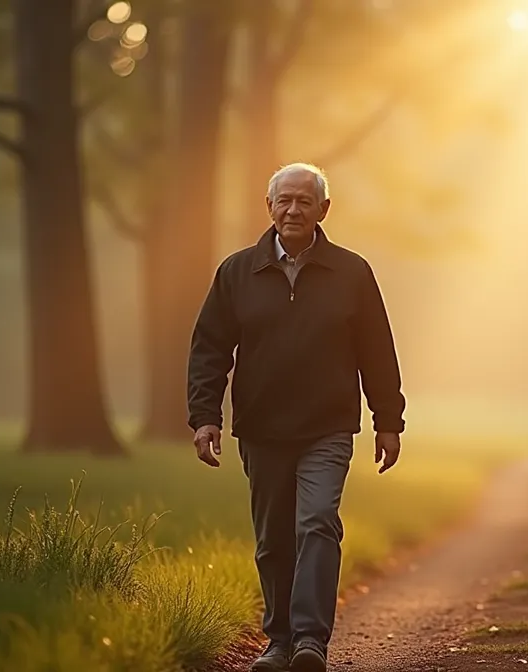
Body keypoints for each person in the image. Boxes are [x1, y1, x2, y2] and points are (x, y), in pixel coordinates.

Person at [187, 163, 406, 672]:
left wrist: (388, 420)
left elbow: (377, 351)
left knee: (317, 522)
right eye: (284, 200)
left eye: (304, 201)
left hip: (327, 427)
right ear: (269, 206)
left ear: (323, 210)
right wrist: (205, 416)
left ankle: (310, 640)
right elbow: (209, 349)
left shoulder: (352, 272)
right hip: (261, 429)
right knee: (273, 541)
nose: (292, 210)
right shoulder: (237, 272)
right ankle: (279, 641)